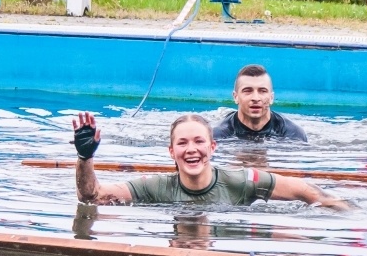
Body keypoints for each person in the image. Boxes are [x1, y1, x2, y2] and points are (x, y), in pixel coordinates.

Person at [72, 111, 349, 209]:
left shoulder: (241, 182)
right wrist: (85, 158)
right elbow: (91, 196)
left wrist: (341, 209)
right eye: (182, 143)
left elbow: (304, 190)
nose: (191, 150)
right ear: (171, 152)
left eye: (198, 142)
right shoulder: (154, 188)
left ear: (213, 147)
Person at [213, 64, 308, 142]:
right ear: (235, 97)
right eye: (248, 91)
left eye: (262, 91)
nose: (255, 98)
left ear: (271, 98)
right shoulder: (219, 135)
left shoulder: (293, 134)